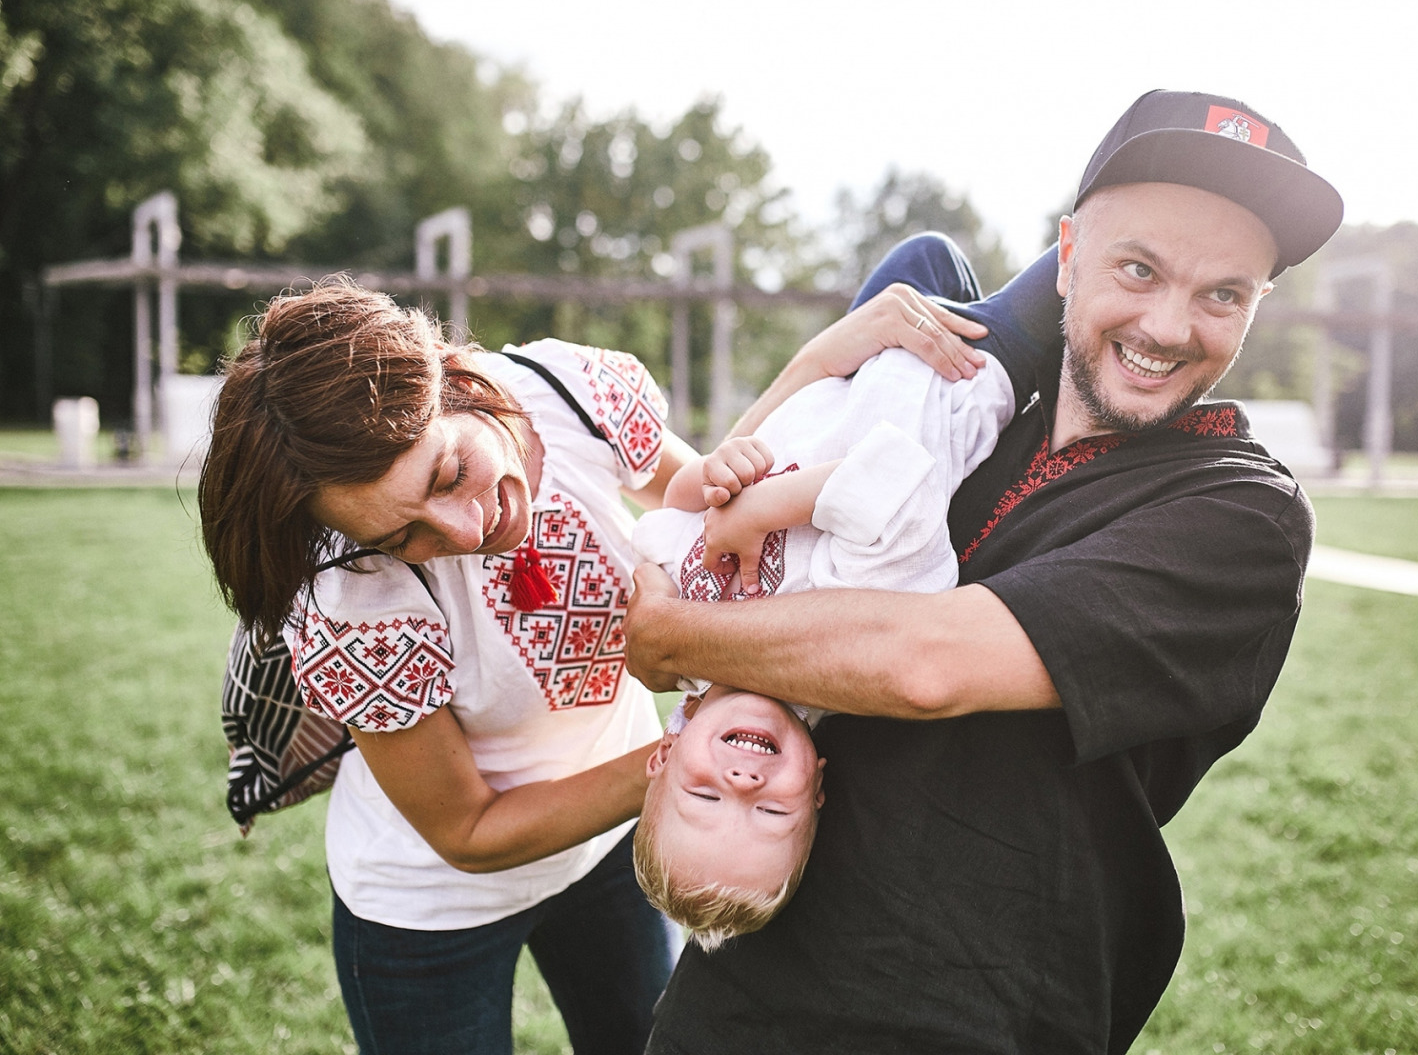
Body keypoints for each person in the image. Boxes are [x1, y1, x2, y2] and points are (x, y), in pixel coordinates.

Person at [624, 89, 1345, 1054]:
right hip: (738, 1001)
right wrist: (822, 357)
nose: (1171, 326)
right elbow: (735, 523)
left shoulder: (1239, 514)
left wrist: (676, 634)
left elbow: (924, 666)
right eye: (1138, 267)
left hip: (972, 1016)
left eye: (1224, 294)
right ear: (1068, 253)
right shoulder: (974, 417)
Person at [196, 275, 987, 1055]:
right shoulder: (351, 601)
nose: (465, 529)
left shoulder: (567, 392)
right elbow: (468, 832)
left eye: (447, 474)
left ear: (457, 379)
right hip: (429, 911)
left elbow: (705, 510)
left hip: (609, 851)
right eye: (404, 535)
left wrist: (812, 364)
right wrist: (681, 766)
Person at [629, 301, 1017, 946]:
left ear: (665, 754)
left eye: (706, 801)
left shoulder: (685, 631)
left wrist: (712, 476)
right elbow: (899, 486)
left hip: (855, 364)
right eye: (771, 811)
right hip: (955, 367)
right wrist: (758, 510)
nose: (743, 784)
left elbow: (672, 513)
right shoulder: (842, 654)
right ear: (815, 792)